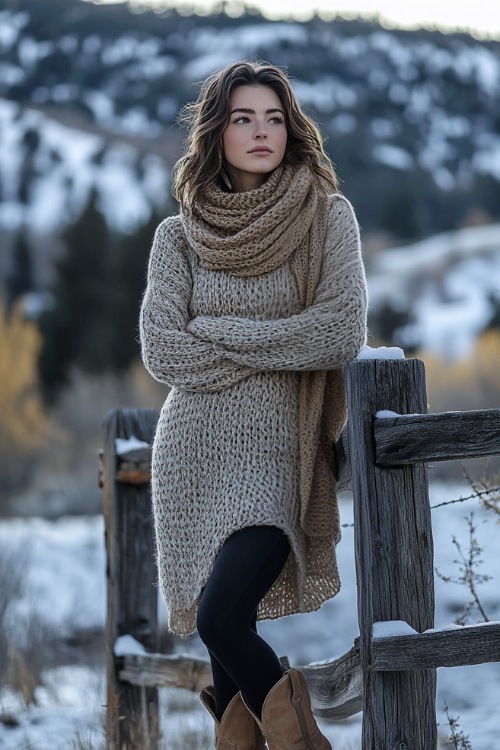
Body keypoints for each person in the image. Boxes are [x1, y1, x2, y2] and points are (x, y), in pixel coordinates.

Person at [139, 60, 368, 750]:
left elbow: (340, 329)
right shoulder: (177, 237)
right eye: (244, 118)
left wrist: (223, 332)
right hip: (188, 461)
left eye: (274, 118)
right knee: (225, 641)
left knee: (221, 618)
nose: (261, 131)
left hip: (277, 454)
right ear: (217, 132)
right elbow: (162, 351)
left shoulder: (327, 218)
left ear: (292, 130)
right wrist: (273, 345)